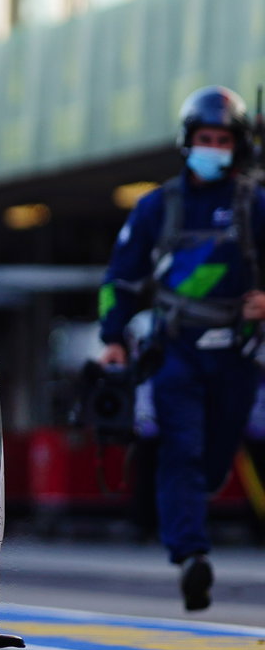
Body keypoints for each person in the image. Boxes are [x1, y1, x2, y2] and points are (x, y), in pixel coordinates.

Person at [98, 85, 265, 610]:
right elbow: (120, 279)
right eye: (203, 137)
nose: (212, 146)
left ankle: (193, 528)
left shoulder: (255, 204)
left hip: (237, 356)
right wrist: (113, 341)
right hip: (177, 352)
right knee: (182, 452)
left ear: (237, 145)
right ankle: (192, 556)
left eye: (221, 138)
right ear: (186, 141)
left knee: (214, 459)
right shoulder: (157, 206)